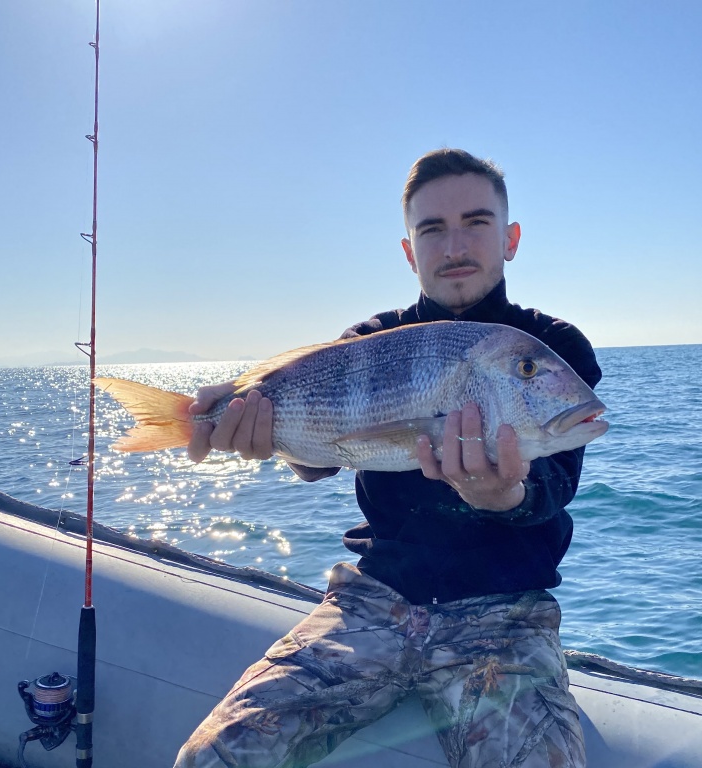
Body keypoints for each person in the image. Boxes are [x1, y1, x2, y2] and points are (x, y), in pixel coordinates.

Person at [175, 149, 602, 768]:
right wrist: (257, 432)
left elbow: (556, 483)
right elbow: (323, 456)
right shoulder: (367, 339)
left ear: (509, 238)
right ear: (409, 250)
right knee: (209, 759)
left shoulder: (552, 345)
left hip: (505, 613)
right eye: (431, 228)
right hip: (372, 600)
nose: (455, 244)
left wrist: (504, 495)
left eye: (477, 222)